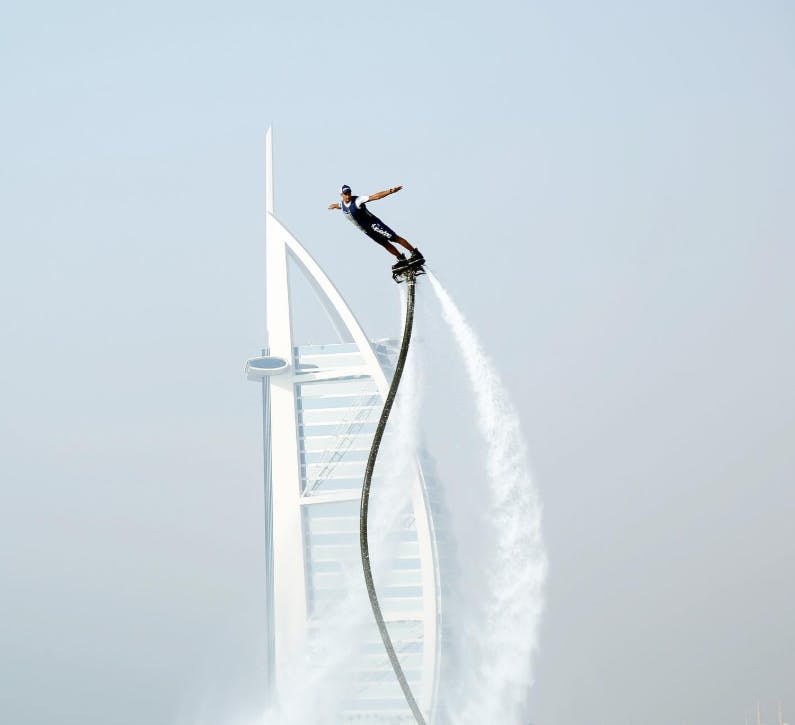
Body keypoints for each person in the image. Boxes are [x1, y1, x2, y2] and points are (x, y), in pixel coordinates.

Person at [328, 184, 423, 269]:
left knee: (393, 238)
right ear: (341, 195)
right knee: (385, 244)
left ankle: (415, 253)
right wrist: (334, 206)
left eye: (349, 193)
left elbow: (375, 196)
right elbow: (340, 205)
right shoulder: (342, 204)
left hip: (374, 224)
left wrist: (390, 191)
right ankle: (401, 259)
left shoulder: (357, 200)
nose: (348, 195)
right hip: (367, 230)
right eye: (345, 194)